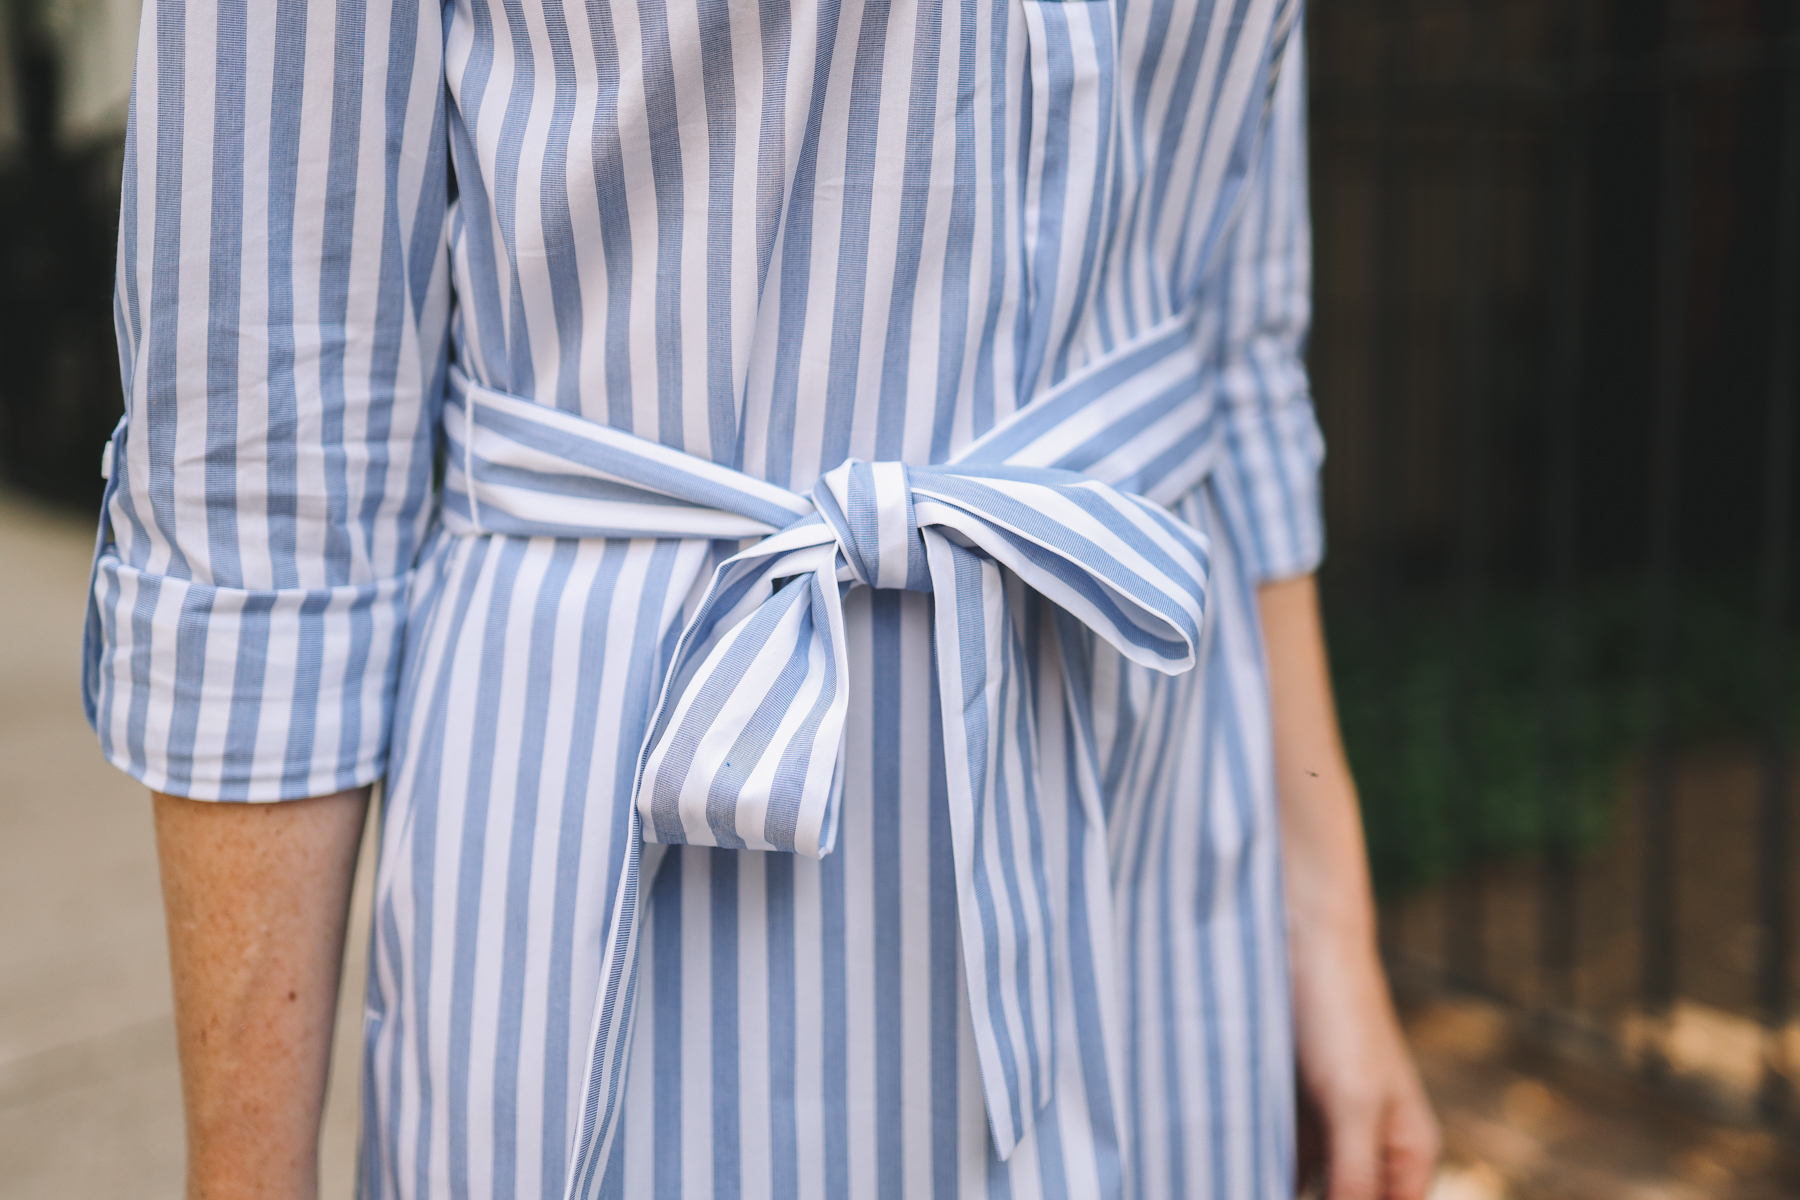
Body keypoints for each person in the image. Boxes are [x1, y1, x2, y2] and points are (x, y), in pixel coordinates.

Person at [87, 0, 1439, 1196]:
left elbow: (1235, 338)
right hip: (633, 860)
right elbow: (268, 448)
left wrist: (1328, 916)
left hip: (1156, 877)